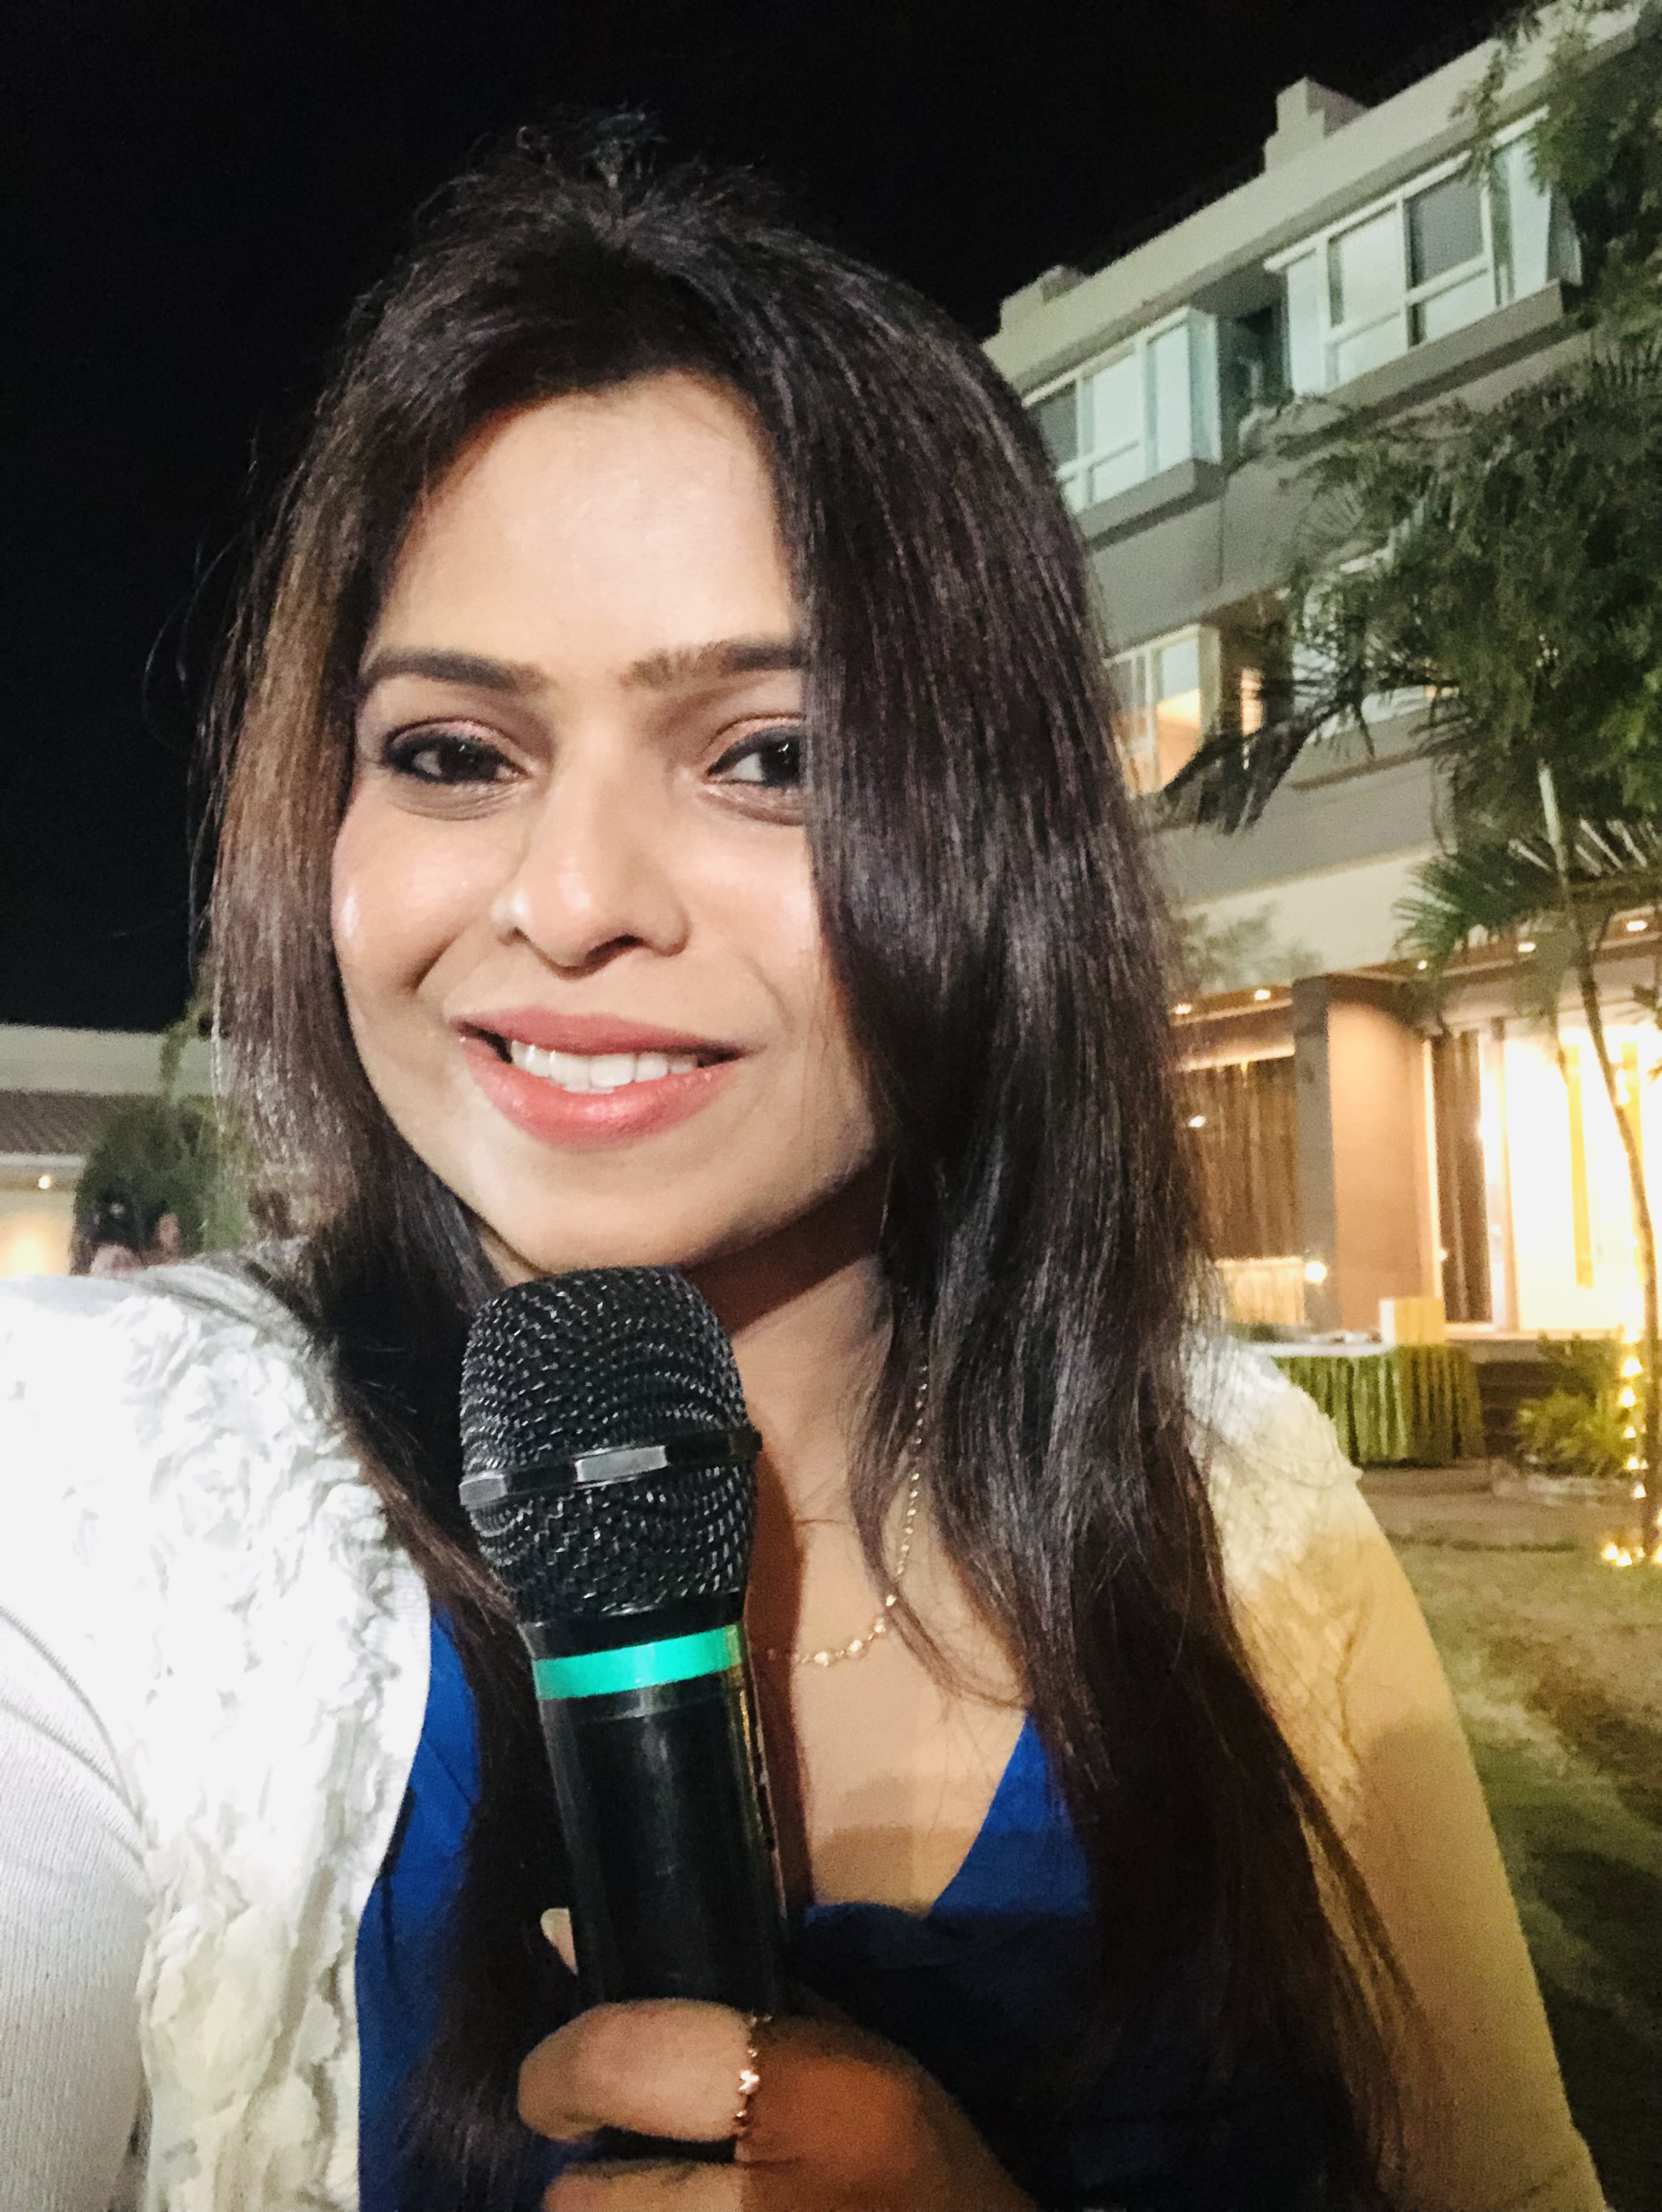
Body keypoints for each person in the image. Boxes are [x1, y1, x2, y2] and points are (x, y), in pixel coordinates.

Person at [0, 143, 1604, 2212]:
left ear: (998, 827)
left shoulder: (1236, 1498)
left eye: (772, 756)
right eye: (454, 754)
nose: (570, 900)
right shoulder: (94, 1480)